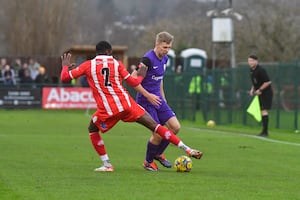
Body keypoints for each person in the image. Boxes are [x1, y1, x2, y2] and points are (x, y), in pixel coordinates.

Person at [60, 41, 203, 172]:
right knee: (157, 127)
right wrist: (141, 76)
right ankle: (187, 149)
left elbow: (65, 78)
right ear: (110, 52)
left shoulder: (87, 65)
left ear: (96, 53)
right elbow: (133, 82)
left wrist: (65, 66)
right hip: (128, 105)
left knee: (92, 129)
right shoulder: (117, 64)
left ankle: (107, 164)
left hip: (109, 110)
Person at [132, 32, 184, 171]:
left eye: (169, 47)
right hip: (145, 101)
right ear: (157, 44)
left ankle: (158, 154)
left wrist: (163, 97)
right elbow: (133, 79)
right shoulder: (147, 60)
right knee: (157, 133)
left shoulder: (165, 59)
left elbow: (159, 80)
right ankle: (148, 162)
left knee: (175, 127)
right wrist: (148, 96)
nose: (166, 50)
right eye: (164, 47)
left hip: (159, 100)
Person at [248, 55, 273, 137]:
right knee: (262, 111)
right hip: (260, 93)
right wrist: (252, 89)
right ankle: (264, 131)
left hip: (266, 93)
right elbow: (255, 82)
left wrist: (260, 90)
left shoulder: (261, 70)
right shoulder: (252, 70)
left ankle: (265, 132)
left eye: (252, 61)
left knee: (264, 111)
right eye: (249, 61)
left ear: (256, 61)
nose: (250, 62)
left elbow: (268, 82)